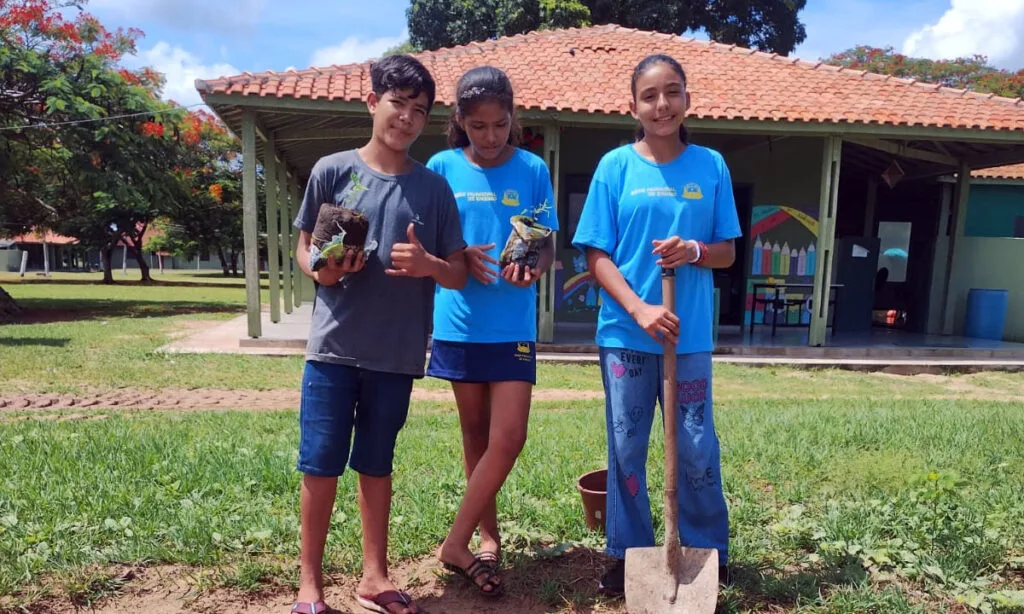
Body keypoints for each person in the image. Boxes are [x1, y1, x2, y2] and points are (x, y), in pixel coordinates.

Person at [290, 54, 468, 614]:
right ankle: (309, 585)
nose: (407, 118)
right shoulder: (332, 171)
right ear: (372, 102)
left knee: (376, 463)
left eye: (419, 110)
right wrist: (324, 267)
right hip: (333, 350)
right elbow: (304, 248)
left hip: (396, 354)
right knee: (319, 465)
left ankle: (374, 577)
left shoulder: (434, 190)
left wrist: (429, 266)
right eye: (398, 104)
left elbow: (458, 271)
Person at [570, 53, 741, 597]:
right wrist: (641, 310)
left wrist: (692, 249)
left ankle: (705, 550)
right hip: (626, 336)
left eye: (672, 92)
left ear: (687, 99)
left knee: (694, 444)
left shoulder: (711, 166)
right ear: (634, 106)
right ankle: (629, 553)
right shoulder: (615, 167)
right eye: (650, 95)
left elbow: (727, 253)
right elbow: (596, 255)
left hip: (686, 337)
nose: (661, 104)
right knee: (626, 447)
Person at [424, 65, 558, 597]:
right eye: (478, 127)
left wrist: (537, 265)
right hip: (459, 322)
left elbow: (544, 241)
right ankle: (486, 538)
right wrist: (456, 256)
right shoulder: (440, 167)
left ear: (512, 118)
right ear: (460, 121)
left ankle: (453, 542)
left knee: (510, 436)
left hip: (512, 324)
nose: (490, 136)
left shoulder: (532, 169)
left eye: (499, 125)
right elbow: (429, 243)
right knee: (475, 438)